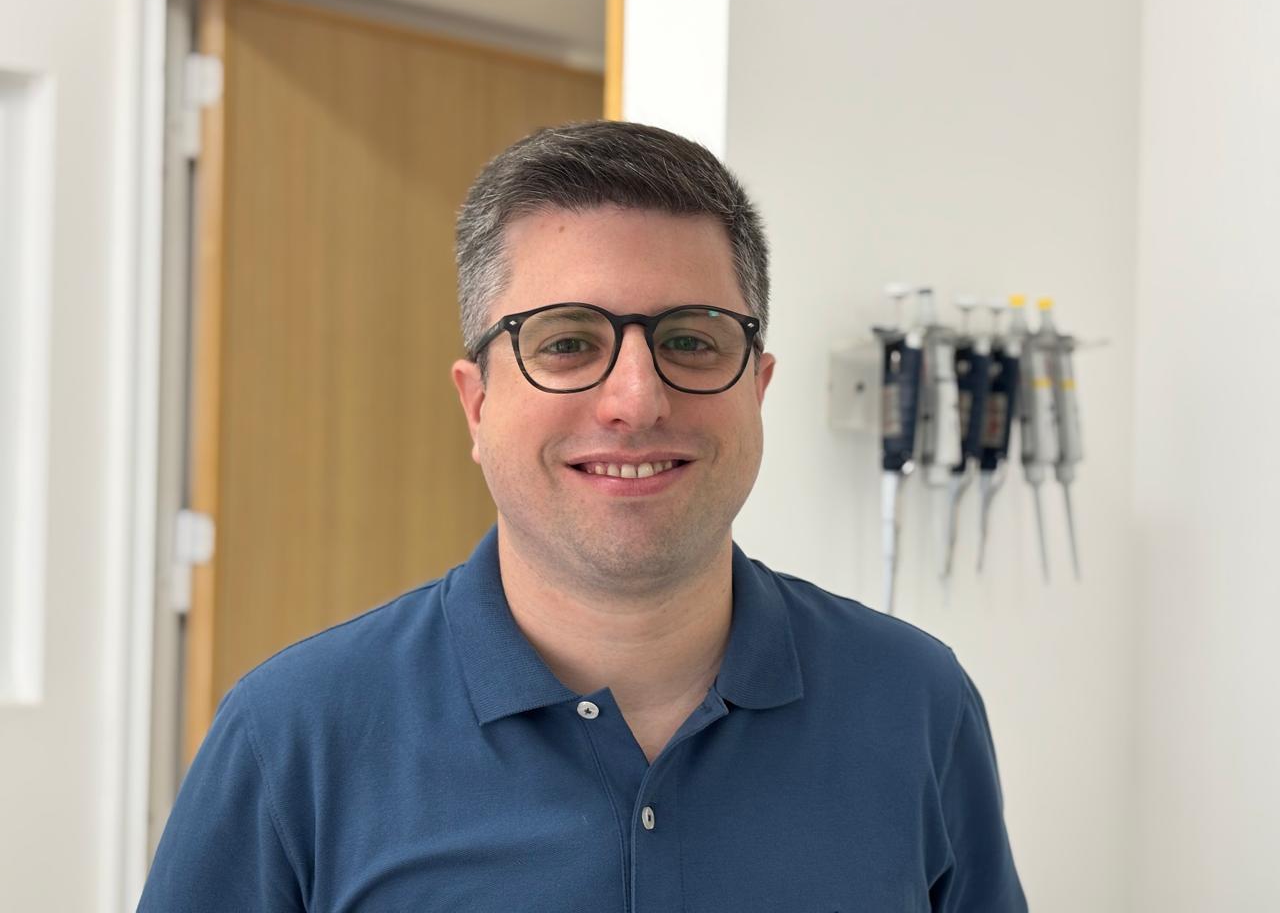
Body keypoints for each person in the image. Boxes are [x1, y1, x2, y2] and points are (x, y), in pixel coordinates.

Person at [139, 121, 1027, 911]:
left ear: (757, 389)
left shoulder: (915, 704)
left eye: (691, 340)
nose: (635, 401)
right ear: (477, 403)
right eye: (567, 342)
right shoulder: (293, 736)